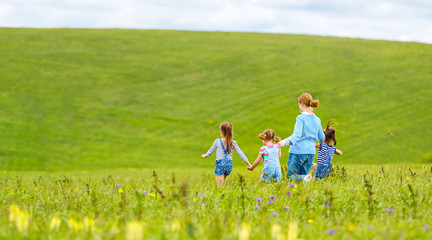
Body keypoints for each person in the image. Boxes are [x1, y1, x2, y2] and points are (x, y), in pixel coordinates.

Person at [277, 93, 325, 182]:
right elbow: (322, 138)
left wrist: (282, 143)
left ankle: (304, 179)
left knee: (291, 177)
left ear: (301, 103)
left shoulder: (301, 118)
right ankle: (303, 184)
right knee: (302, 178)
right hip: (311, 153)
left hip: (298, 152)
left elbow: (296, 136)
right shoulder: (317, 119)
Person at [201, 122, 252, 186]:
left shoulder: (217, 141)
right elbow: (241, 153)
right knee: (222, 182)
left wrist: (206, 155)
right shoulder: (233, 143)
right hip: (228, 165)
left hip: (220, 165)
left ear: (222, 132)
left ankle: (219, 194)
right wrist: (249, 164)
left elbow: (211, 150)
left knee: (219, 185)